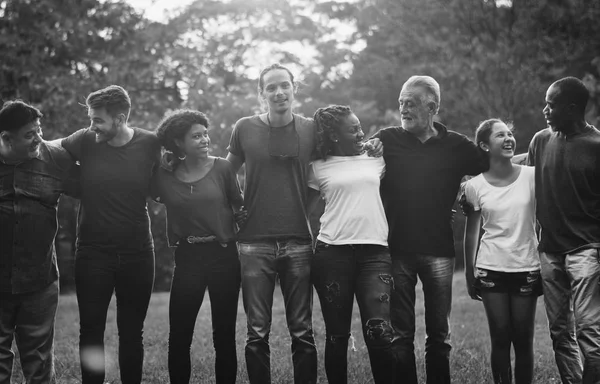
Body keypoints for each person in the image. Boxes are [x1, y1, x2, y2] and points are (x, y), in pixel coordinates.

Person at [372, 75, 487, 384]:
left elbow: (496, 168)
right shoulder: (387, 139)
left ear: (432, 107)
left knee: (440, 335)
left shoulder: (457, 145)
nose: (403, 109)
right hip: (396, 250)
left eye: (411, 103)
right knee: (400, 334)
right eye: (401, 103)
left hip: (439, 251)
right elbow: (357, 166)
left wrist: (538, 159)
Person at [225, 63, 318, 384]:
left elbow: (323, 176)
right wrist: (237, 206)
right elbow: (226, 173)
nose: (279, 92)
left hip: (299, 241)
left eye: (285, 85)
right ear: (261, 94)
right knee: (257, 331)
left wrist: (300, 208)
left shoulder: (311, 129)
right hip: (253, 242)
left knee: (303, 330)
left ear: (294, 88)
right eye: (271, 87)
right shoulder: (245, 128)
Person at [61, 85, 160, 384]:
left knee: (132, 332)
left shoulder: (149, 143)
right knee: (90, 330)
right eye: (91, 119)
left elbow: (172, 174)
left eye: (98, 120)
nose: (92, 126)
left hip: (138, 253)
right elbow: (49, 149)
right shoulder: (85, 140)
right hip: (93, 254)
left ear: (119, 119)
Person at [152, 109, 244, 384]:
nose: (205, 139)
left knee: (224, 335)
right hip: (188, 257)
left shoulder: (223, 168)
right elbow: (144, 182)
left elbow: (239, 207)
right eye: (196, 136)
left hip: (223, 255)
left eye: (205, 133)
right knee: (179, 335)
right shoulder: (164, 175)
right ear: (178, 143)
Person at [308, 105, 396, 384]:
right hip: (332, 254)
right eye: (353, 129)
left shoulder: (377, 159)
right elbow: (306, 212)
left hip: (375, 254)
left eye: (360, 127)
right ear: (334, 136)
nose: (361, 133)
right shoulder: (316, 167)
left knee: (380, 331)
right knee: (337, 336)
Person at [527, 77, 600, 384]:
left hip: (586, 250)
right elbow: (522, 179)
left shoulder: (596, 147)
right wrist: (476, 185)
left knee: (588, 330)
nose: (545, 109)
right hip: (550, 252)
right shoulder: (540, 141)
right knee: (560, 332)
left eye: (551, 104)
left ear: (572, 108)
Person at [0, 100, 78, 383]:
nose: (38, 139)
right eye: (29, 134)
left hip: (39, 280)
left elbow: (98, 183)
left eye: (39, 130)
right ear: (6, 138)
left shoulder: (56, 158)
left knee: (39, 363)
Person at [462, 119, 541, 384]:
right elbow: (472, 231)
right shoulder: (474, 186)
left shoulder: (532, 176)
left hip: (527, 266)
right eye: (500, 135)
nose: (508, 138)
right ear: (484, 145)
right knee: (500, 337)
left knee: (523, 340)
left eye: (509, 134)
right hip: (491, 268)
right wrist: (469, 272)